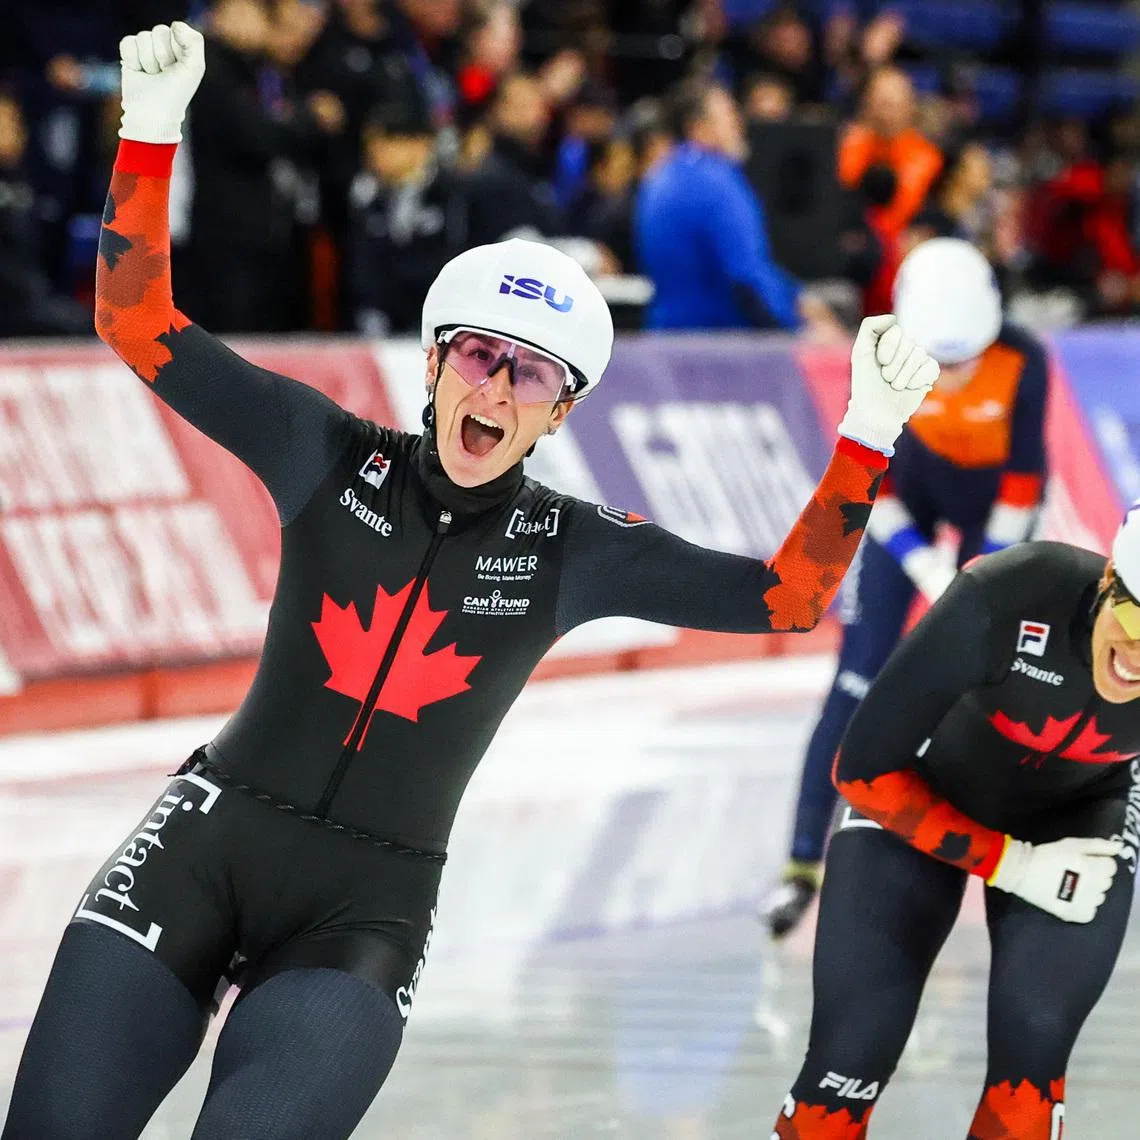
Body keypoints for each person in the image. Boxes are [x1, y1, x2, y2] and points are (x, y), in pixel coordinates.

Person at [1, 23, 938, 1139]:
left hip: (361, 916)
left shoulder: (571, 547)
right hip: (200, 847)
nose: (495, 388)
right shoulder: (326, 452)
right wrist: (150, 135)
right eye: (477, 354)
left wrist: (867, 437)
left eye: (529, 372)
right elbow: (134, 319)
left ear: (562, 409)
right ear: (437, 361)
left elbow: (788, 599)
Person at [769, 507, 1140, 1137]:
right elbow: (860, 771)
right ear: (1109, 580)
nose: (1138, 655)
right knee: (848, 1058)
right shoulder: (1013, 591)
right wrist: (1011, 864)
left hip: (1077, 815)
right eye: (1135, 618)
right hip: (926, 789)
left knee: (1032, 1068)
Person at [761, 238, 1049, 937]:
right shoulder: (887, 352)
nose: (949, 376)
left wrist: (983, 575)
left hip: (995, 514)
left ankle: (1026, 843)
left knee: (1006, 680)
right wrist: (922, 564)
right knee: (854, 683)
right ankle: (802, 862)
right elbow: (871, 480)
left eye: (963, 361)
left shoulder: (1023, 360)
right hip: (907, 506)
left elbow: (1024, 484)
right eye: (939, 362)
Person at [635, 76, 839, 335]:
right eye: (729, 116)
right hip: (718, 348)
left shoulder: (659, 177)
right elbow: (746, 274)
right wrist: (799, 327)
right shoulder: (716, 179)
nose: (739, 125)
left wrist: (796, 296)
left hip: (665, 341)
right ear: (698, 128)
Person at [839, 66, 943, 242]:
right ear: (866, 104)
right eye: (880, 102)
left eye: (892, 104)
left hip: (903, 245)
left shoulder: (928, 158)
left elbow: (909, 212)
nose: (886, 113)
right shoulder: (849, 147)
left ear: (910, 106)